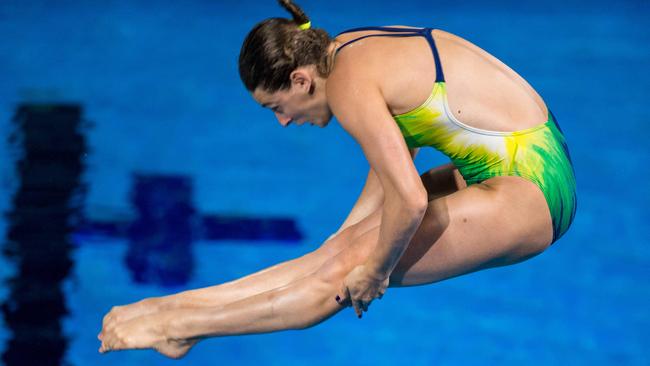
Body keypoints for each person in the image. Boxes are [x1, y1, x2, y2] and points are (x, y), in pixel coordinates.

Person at [98, 0, 577, 358]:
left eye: (277, 107)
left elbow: (407, 200)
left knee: (342, 276)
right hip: (518, 166)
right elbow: (399, 156)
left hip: (532, 191)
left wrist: (374, 272)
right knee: (337, 253)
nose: (283, 121)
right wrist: (345, 241)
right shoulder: (348, 49)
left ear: (301, 80)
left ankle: (180, 329)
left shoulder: (347, 85)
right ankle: (172, 310)